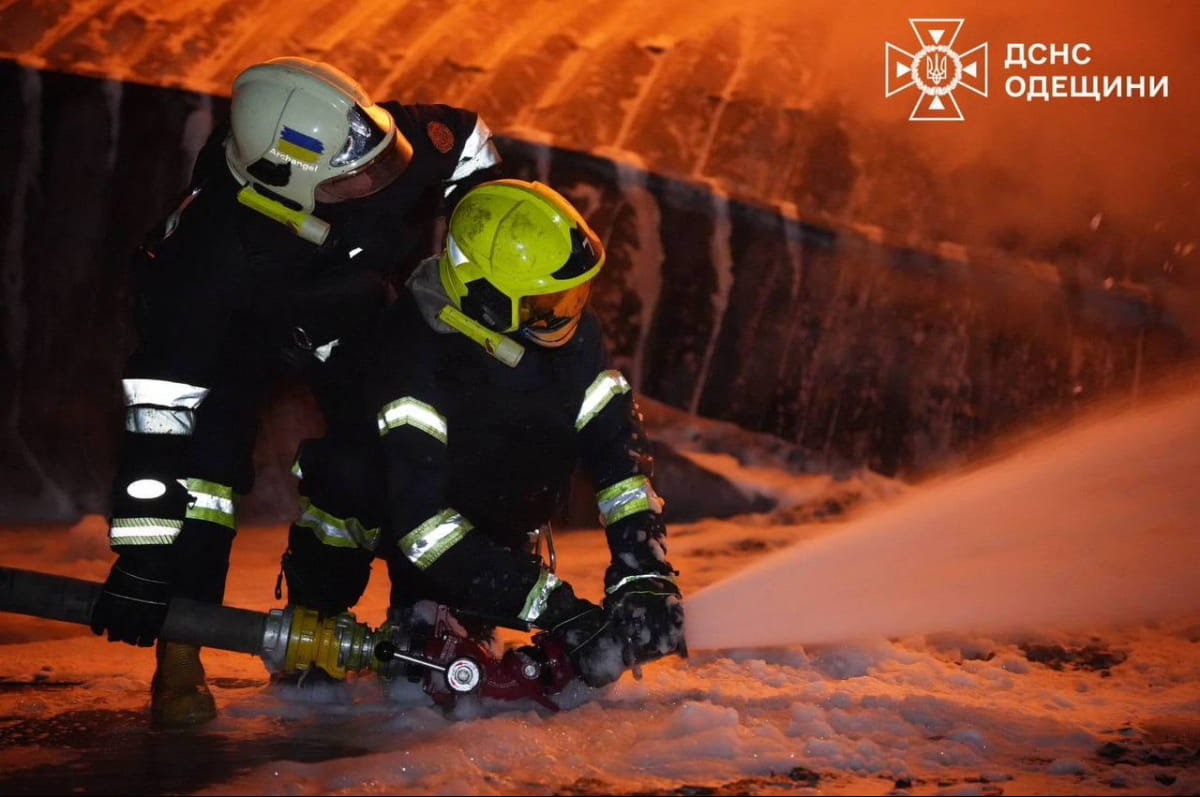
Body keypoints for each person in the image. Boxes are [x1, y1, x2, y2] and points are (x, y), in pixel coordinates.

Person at [88, 56, 504, 727]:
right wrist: (142, 562)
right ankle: (183, 646)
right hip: (230, 339)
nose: (378, 180)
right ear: (285, 185)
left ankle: (428, 616)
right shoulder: (201, 267)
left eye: (380, 158)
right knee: (205, 476)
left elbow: (468, 140)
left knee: (409, 433)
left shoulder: (369, 142)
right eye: (354, 177)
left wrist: (478, 251)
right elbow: (158, 423)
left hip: (343, 309)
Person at [283, 179, 686, 691]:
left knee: (438, 681)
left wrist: (642, 571)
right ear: (489, 301)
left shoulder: (570, 335)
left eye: (575, 294)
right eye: (550, 300)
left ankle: (437, 616)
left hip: (489, 516)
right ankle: (316, 618)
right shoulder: (411, 357)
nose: (570, 311)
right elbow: (423, 527)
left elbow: (616, 452)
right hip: (406, 509)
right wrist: (556, 608)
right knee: (349, 477)